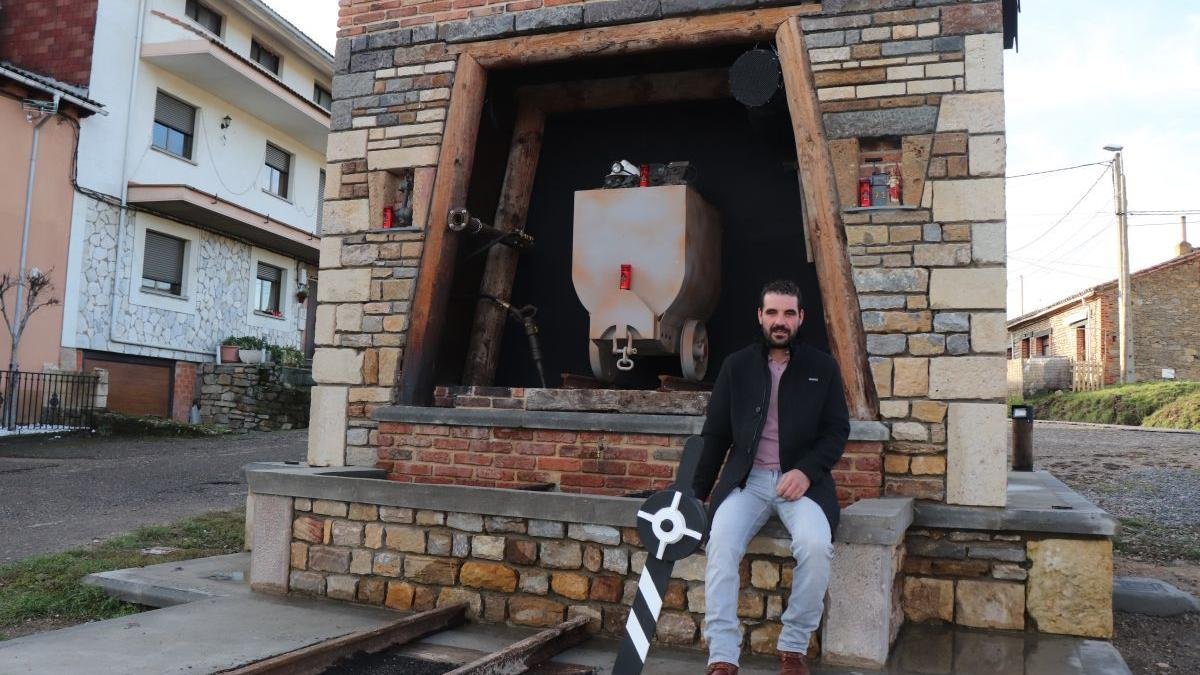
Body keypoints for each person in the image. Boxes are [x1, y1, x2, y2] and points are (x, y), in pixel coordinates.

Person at [693, 279, 850, 675]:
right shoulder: (737, 366)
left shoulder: (822, 367)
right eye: (773, 313)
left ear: (801, 318)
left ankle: (794, 649)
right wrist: (696, 493)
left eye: (789, 313)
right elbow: (715, 434)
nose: (781, 321)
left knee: (816, 546)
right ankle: (723, 656)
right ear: (760, 316)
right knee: (721, 545)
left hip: (802, 487)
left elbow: (836, 431)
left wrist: (806, 471)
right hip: (747, 482)